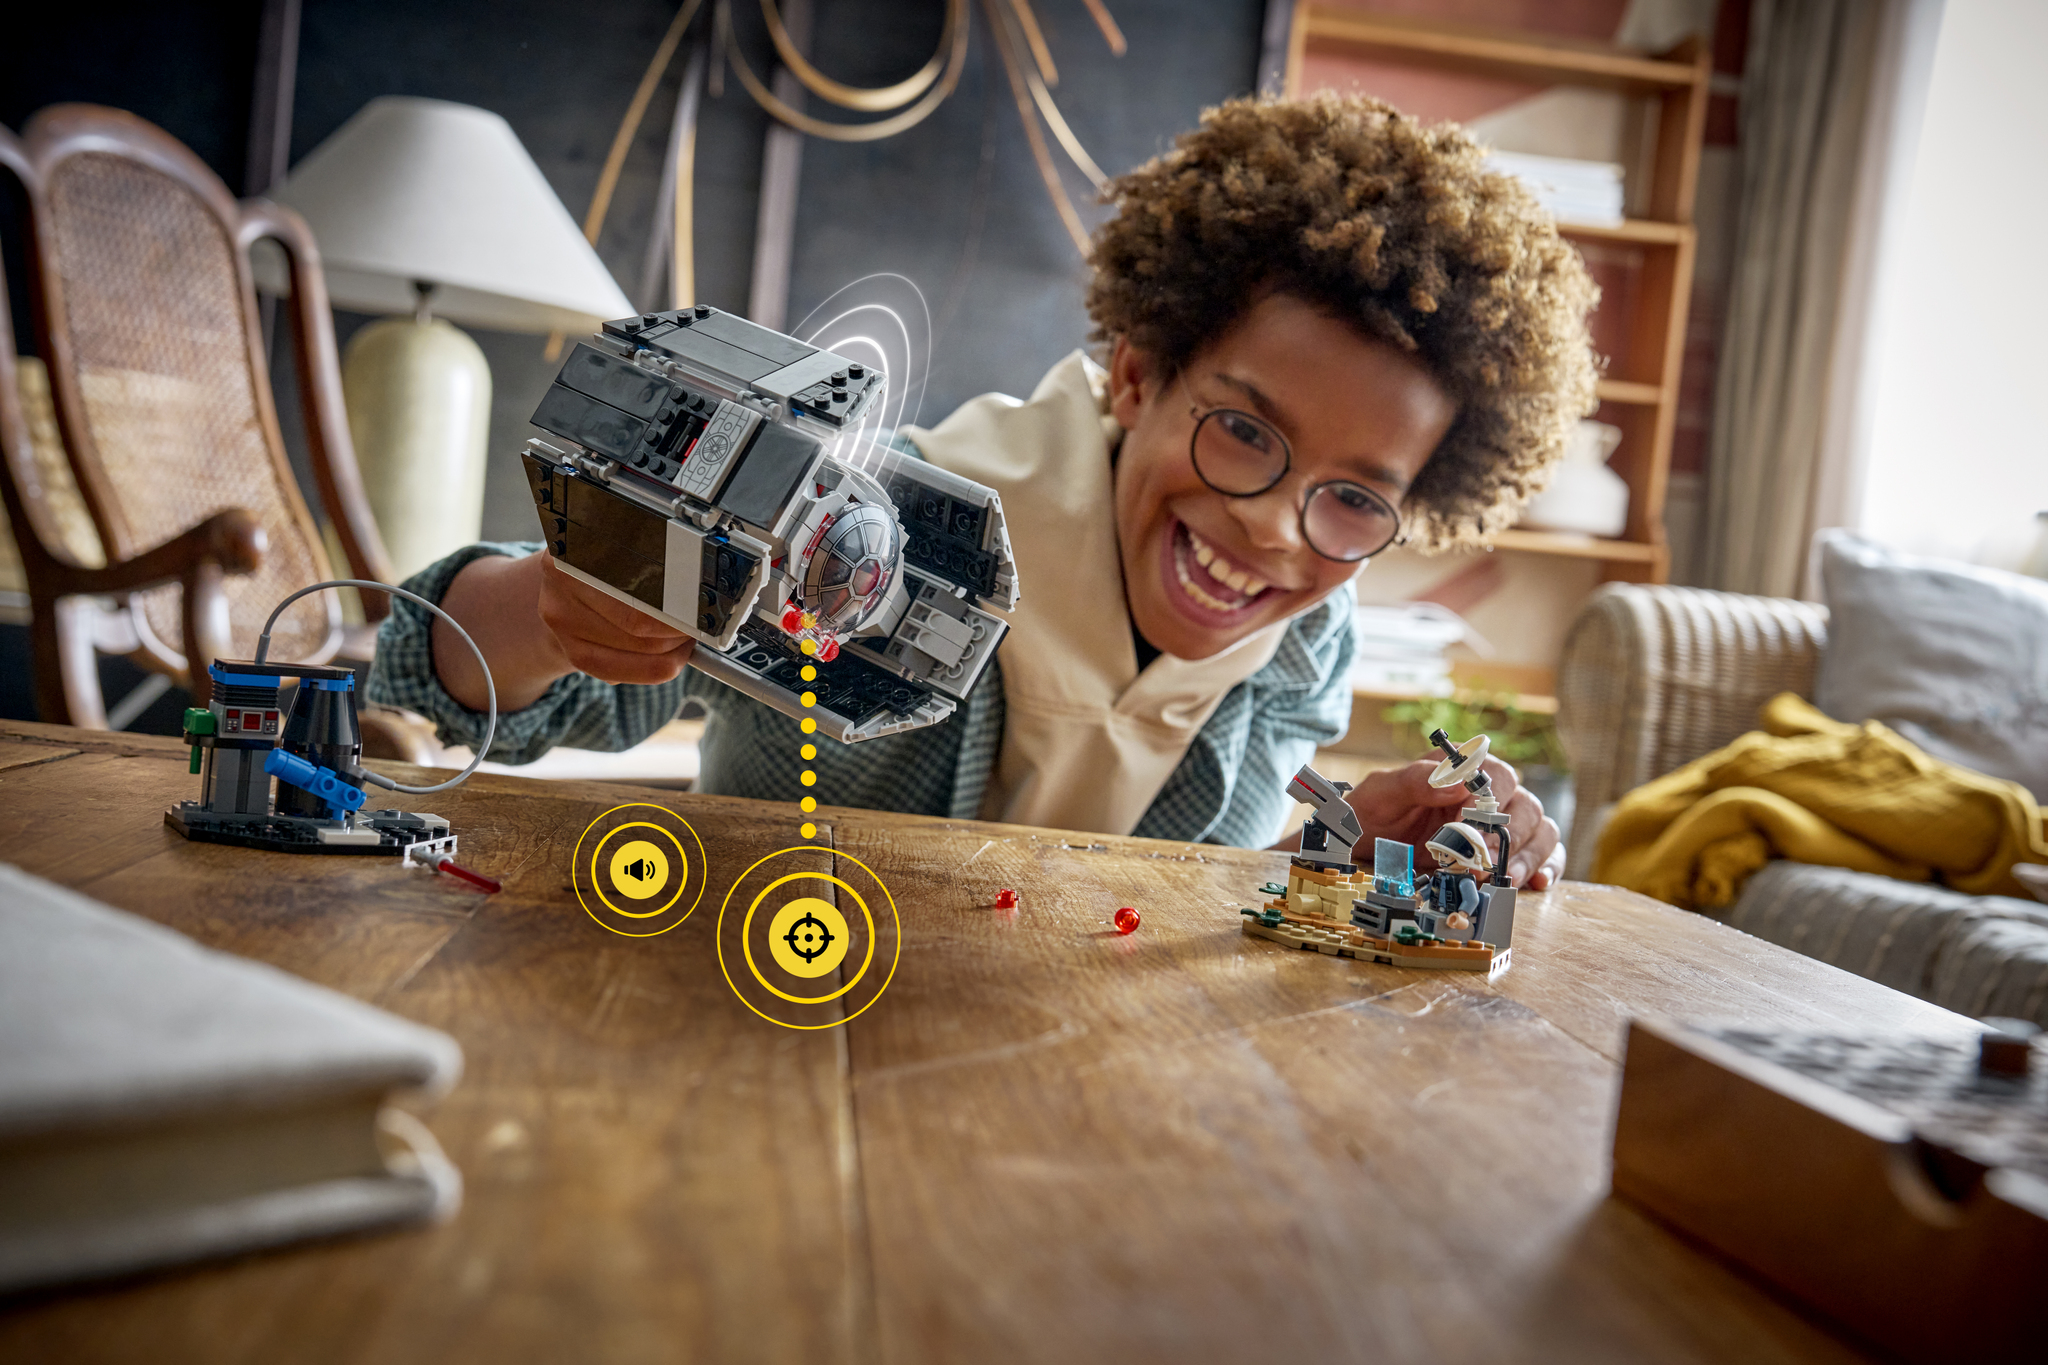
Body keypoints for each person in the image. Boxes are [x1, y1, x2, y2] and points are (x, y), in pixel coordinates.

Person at [367, 94, 1597, 887]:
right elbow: (433, 672)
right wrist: (556, 606)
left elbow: (1179, 909)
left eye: (1353, 499)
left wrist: (1343, 848)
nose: (1275, 528)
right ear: (1135, 373)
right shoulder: (851, 523)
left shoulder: (1297, 647)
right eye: (1240, 433)